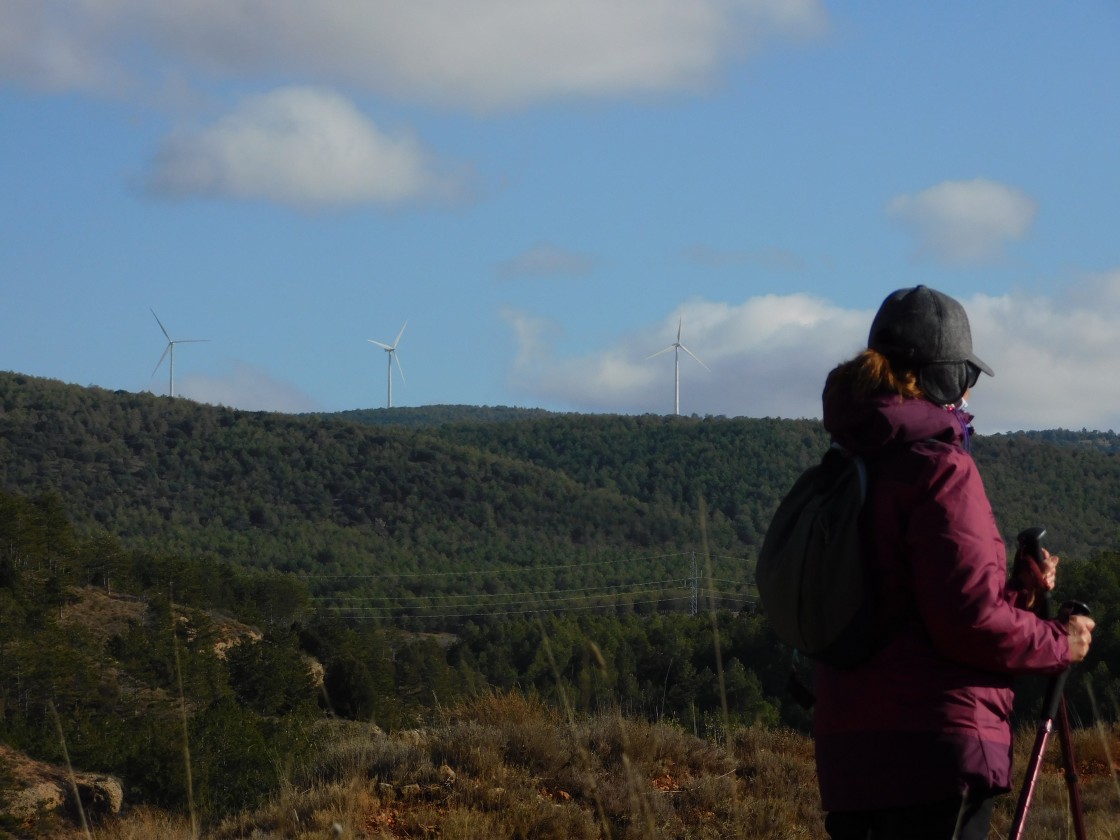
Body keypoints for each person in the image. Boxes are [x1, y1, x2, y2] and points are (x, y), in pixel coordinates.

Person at [813, 285, 1095, 840]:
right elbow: (967, 624)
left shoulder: (846, 466)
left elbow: (918, 610)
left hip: (850, 760)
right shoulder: (941, 469)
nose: (968, 393)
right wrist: (1061, 641)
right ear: (943, 376)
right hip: (935, 755)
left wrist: (1019, 591)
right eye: (965, 378)